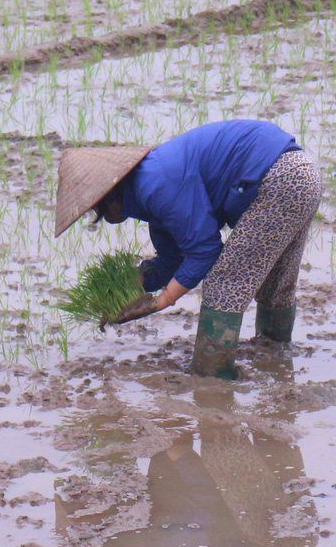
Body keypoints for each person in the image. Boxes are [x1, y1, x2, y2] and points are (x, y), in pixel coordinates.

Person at [53, 118, 321, 379]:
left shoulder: (155, 182)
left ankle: (211, 378)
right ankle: (275, 361)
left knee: (224, 283)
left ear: (108, 196)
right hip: (302, 173)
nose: (98, 216)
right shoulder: (151, 187)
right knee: (275, 279)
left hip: (279, 179)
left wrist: (163, 299)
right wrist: (125, 290)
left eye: (94, 209)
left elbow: (205, 249)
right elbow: (173, 259)